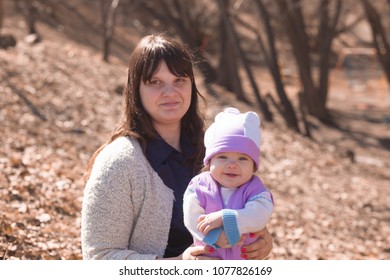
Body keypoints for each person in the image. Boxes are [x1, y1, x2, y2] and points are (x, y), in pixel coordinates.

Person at [81, 33, 273, 260]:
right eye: (156, 82)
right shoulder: (120, 162)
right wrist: (179, 266)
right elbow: (99, 258)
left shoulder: (211, 150)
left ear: (191, 85)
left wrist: (261, 240)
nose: (170, 92)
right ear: (136, 89)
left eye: (179, 80)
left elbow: (242, 205)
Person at [183, 107, 274, 260]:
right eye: (223, 157)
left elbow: (259, 214)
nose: (232, 165)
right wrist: (213, 235)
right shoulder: (199, 186)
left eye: (242, 159)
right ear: (209, 161)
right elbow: (192, 216)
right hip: (208, 258)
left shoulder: (255, 189)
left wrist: (228, 218)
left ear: (254, 166)